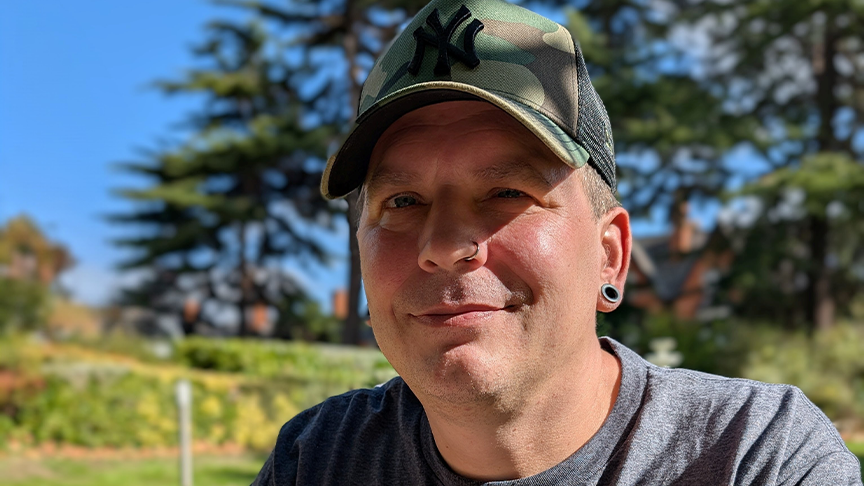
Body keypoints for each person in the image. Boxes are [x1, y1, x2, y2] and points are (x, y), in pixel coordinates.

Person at [252, 0, 862, 484]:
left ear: (611, 256)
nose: (442, 245)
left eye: (507, 193)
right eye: (402, 203)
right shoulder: (315, 460)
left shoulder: (754, 458)